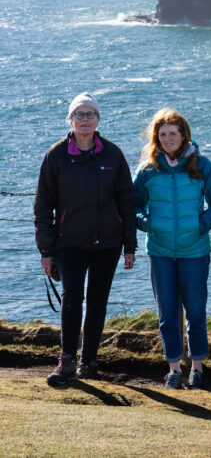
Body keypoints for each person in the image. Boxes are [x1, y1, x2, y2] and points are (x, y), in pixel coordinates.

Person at [34, 92, 137, 386]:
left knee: (97, 301)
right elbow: (43, 206)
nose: (84, 119)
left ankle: (88, 362)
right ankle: (65, 360)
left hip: (108, 243)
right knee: (71, 298)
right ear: (70, 119)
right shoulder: (56, 156)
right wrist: (46, 249)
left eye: (90, 114)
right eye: (79, 114)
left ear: (98, 120)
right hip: (69, 242)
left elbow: (127, 202)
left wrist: (130, 246)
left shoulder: (113, 155)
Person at [133, 108, 211, 390]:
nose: (167, 139)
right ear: (156, 138)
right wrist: (148, 225)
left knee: (196, 313)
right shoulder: (148, 169)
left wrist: (200, 225)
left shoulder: (201, 165)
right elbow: (132, 206)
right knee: (167, 314)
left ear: (184, 135)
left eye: (172, 133)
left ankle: (197, 368)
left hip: (195, 251)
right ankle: (174, 368)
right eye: (162, 135)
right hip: (160, 251)